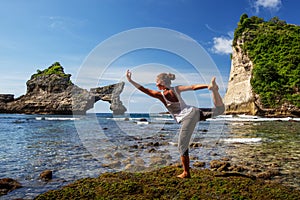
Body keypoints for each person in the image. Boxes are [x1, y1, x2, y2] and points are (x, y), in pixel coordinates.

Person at [126, 70, 225, 178]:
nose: (156, 84)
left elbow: (144, 90)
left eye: (157, 82)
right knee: (219, 110)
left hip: (188, 117)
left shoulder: (160, 95)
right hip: (194, 111)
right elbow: (193, 87)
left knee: (182, 145)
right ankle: (214, 90)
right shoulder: (176, 89)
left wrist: (131, 81)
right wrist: (208, 86)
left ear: (162, 82)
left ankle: (186, 173)